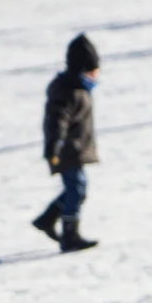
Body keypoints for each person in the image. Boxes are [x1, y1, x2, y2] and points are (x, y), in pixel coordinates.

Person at [32, 35, 101, 253]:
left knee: (76, 189)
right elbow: (57, 121)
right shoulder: (68, 91)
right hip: (64, 150)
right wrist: (55, 146)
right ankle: (69, 235)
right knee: (76, 189)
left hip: (74, 149)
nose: (96, 75)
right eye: (93, 70)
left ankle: (48, 218)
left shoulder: (79, 89)